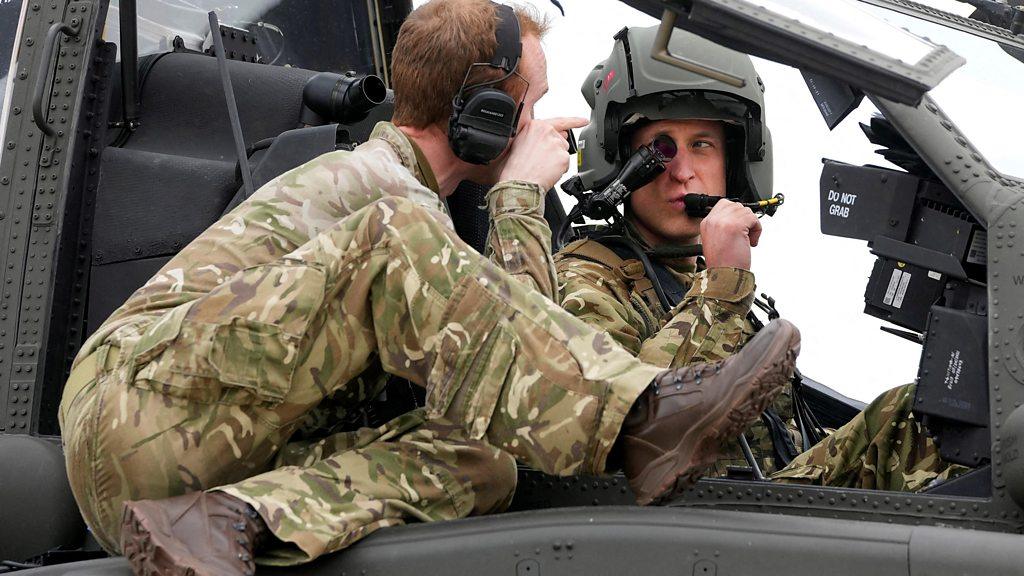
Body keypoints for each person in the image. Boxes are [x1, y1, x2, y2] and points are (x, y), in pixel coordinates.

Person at [58, 3, 800, 575]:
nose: (542, 127)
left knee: (491, 456)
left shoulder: (419, 215)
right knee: (401, 241)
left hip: (193, 462)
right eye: (529, 107)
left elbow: (512, 389)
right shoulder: (376, 190)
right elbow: (529, 345)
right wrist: (517, 198)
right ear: (485, 117)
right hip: (132, 403)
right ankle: (641, 420)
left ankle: (229, 520)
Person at [555, 25, 968, 487]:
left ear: (734, 162)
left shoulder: (697, 280)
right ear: (618, 161)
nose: (683, 172)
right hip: (691, 524)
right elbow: (629, 431)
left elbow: (778, 443)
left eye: (702, 145)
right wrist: (723, 284)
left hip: (755, 505)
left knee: (933, 417)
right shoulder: (584, 281)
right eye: (660, 150)